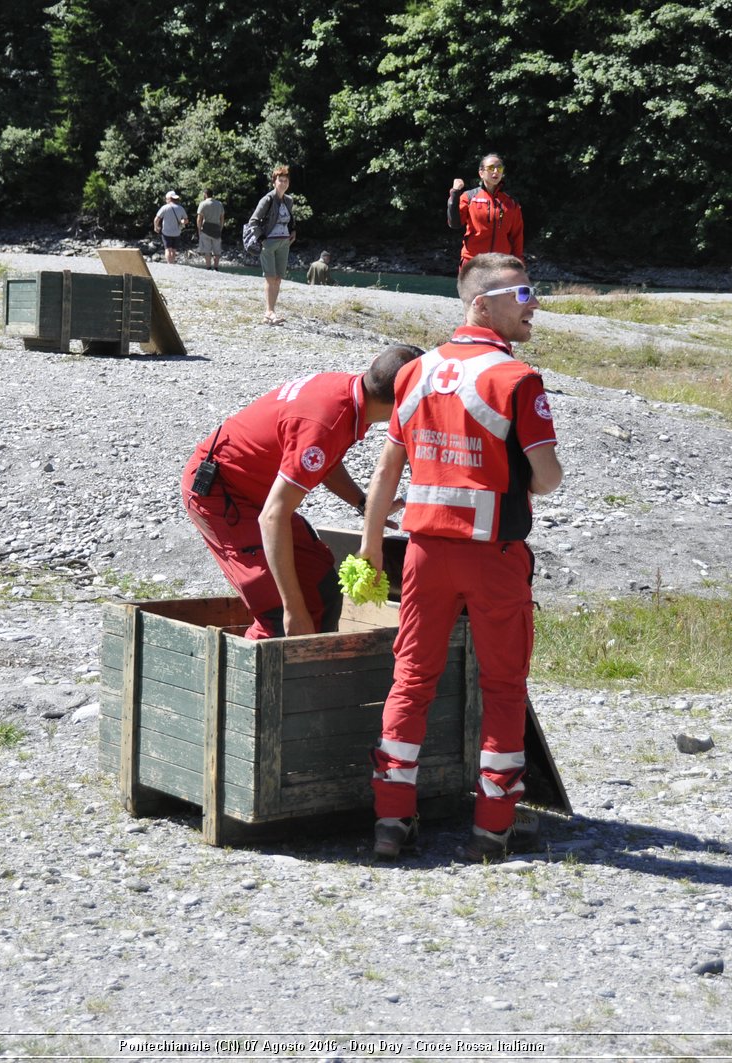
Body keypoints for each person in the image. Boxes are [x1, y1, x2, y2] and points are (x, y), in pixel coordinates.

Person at [358, 252, 562, 862]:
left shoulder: (413, 373)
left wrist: (370, 547)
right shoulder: (517, 379)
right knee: (503, 686)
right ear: (483, 304)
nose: (532, 305)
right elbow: (548, 478)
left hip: (423, 553)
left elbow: (385, 473)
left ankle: (391, 822)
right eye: (521, 294)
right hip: (493, 553)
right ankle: (492, 827)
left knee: (412, 679)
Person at [183, 344, 424, 640]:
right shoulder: (325, 424)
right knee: (276, 612)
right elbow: (273, 518)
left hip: (259, 497)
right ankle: (261, 674)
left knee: (320, 584)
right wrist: (293, 612)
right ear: (405, 403)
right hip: (220, 493)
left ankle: (313, 675)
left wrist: (363, 503)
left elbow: (324, 459)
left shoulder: (345, 393)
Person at [447, 153, 524, 272]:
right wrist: (455, 193)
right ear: (481, 173)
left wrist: (518, 264)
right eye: (491, 167)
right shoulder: (469, 197)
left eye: (499, 168)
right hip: (473, 263)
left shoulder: (511, 203)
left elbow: (517, 237)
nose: (496, 171)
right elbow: (454, 223)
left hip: (501, 265)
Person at [248, 165, 296, 324]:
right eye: (280, 180)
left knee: (278, 278)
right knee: (270, 278)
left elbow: (290, 219)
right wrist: (261, 239)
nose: (283, 183)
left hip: (284, 243)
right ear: (274, 182)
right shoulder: (267, 199)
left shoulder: (288, 200)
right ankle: (269, 312)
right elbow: (253, 221)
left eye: (285, 180)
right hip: (269, 243)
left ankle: (271, 312)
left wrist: (293, 231)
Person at [153, 191, 188, 264]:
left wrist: (156, 227)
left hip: (166, 232)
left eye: (166, 199)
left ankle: (169, 264)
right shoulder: (180, 208)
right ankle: (172, 263)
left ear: (169, 199)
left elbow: (156, 219)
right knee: (174, 250)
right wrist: (182, 222)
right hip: (177, 233)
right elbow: (186, 220)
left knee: (168, 249)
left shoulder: (165, 207)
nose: (166, 200)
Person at [196, 189, 225, 270]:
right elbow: (222, 218)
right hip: (216, 229)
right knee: (217, 250)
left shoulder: (203, 204)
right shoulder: (219, 204)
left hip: (206, 229)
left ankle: (208, 267)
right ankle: (216, 267)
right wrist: (221, 228)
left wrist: (199, 229)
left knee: (207, 250)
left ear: (205, 194)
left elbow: (199, 219)